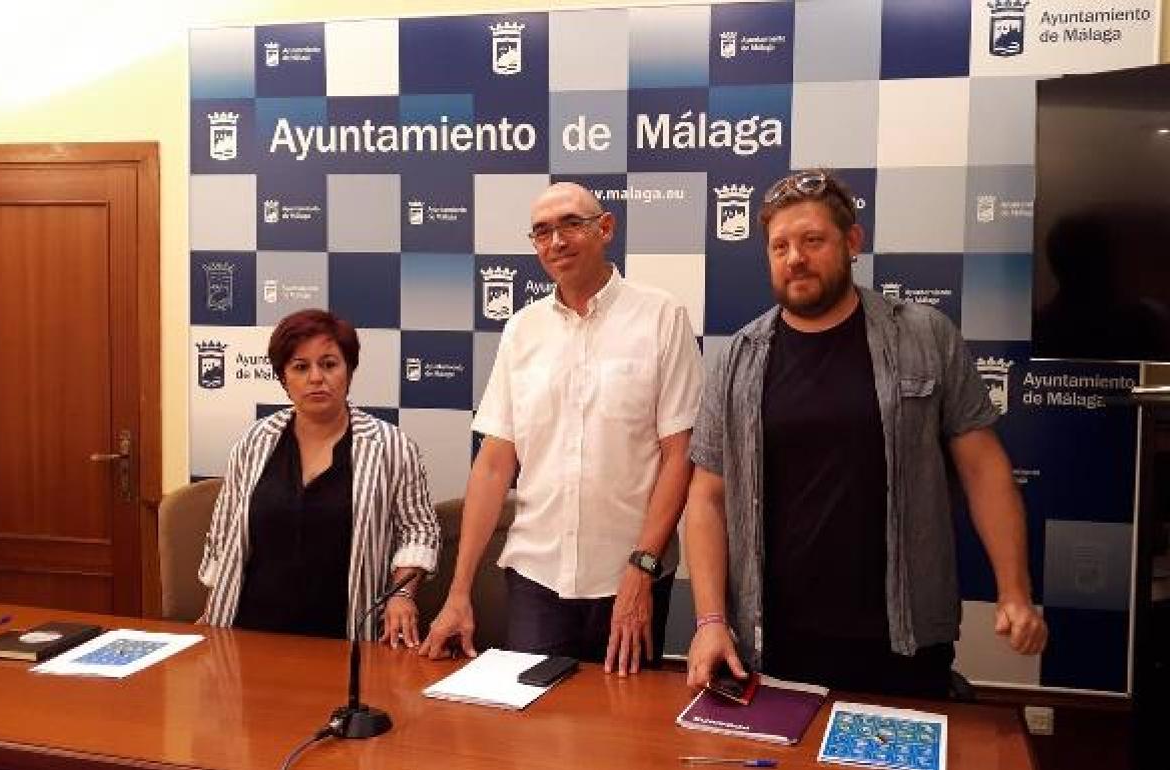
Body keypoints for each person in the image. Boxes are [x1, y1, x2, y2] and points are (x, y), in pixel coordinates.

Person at [684, 170, 1048, 697]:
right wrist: (710, 620)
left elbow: (984, 467)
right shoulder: (738, 359)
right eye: (780, 245)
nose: (795, 258)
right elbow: (707, 498)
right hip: (773, 641)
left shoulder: (924, 336)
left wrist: (1015, 591)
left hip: (902, 639)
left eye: (813, 240)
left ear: (852, 242)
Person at [418, 182, 703, 674]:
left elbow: (680, 455)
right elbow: (493, 464)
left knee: (625, 735)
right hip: (536, 579)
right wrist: (459, 590)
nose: (557, 241)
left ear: (605, 228)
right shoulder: (522, 330)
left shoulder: (661, 316)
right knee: (533, 736)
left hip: (630, 576)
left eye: (572, 224)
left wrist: (643, 569)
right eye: (542, 231)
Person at [198, 309, 440, 645]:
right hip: (249, 633)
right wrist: (213, 609)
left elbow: (420, 531)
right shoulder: (254, 442)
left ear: (349, 372)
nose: (316, 377)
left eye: (329, 364)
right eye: (300, 367)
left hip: (347, 636)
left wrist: (403, 595)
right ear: (283, 378)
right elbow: (223, 535)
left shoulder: (391, 446)